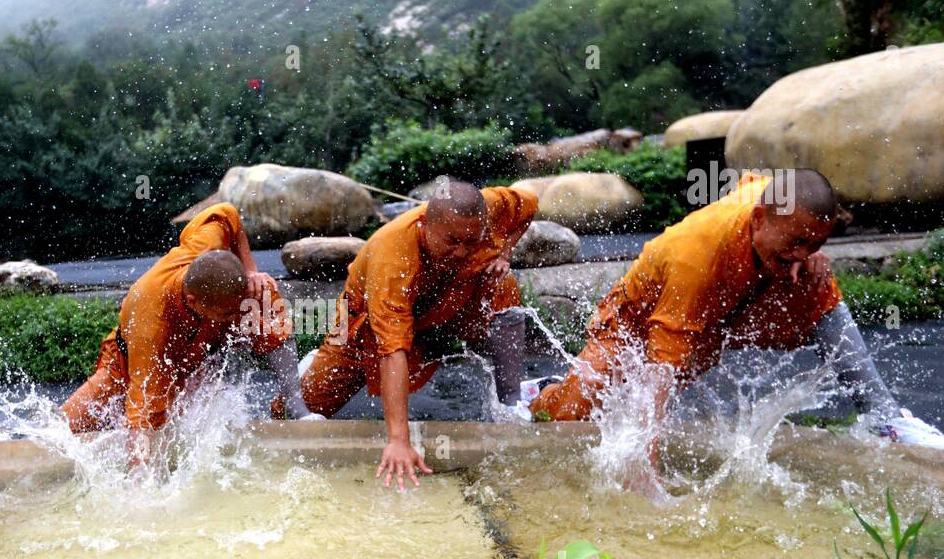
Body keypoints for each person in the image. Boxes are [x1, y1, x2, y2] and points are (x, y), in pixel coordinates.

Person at [530, 169, 938, 451]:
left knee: (817, 288)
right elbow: (660, 372)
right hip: (639, 314)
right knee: (582, 411)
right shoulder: (698, 252)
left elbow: (753, 181)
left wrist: (809, 253)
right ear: (758, 220)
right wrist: (646, 484)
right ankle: (542, 392)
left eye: (813, 243)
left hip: (718, 310)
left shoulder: (776, 210)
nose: (802, 252)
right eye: (797, 240)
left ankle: (886, 419)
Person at [285, 180, 538, 489]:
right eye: (452, 240)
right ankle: (313, 365)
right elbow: (392, 350)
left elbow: (528, 203)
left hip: (444, 298)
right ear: (425, 224)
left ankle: (511, 400)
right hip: (361, 320)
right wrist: (398, 440)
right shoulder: (392, 254)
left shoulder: (486, 205)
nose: (461, 251)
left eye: (471, 241)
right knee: (301, 410)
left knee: (502, 283)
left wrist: (504, 253)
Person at [61, 202, 312, 458]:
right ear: (193, 301)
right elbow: (141, 416)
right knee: (64, 433)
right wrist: (142, 487)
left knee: (262, 292)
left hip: (194, 356)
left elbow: (228, 213)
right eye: (227, 312)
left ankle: (296, 406)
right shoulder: (149, 321)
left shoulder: (206, 244)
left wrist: (251, 271)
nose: (236, 315)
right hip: (130, 365)